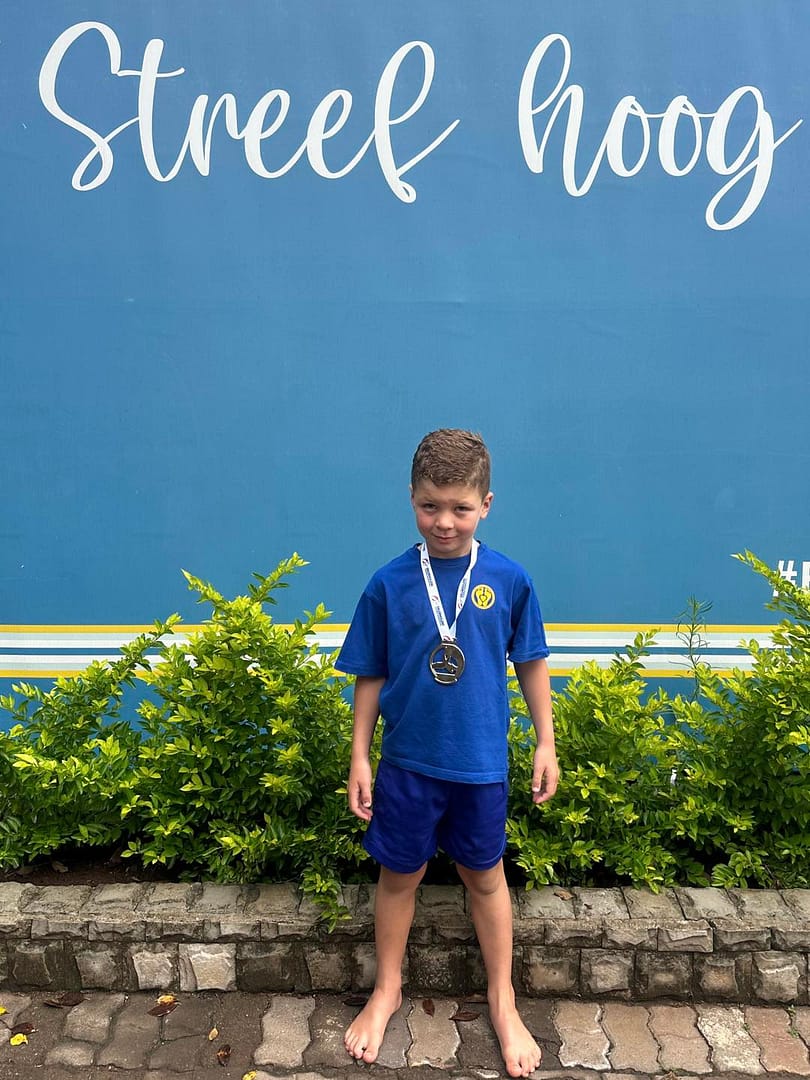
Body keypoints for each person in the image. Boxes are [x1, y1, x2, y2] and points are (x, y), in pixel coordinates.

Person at [335, 429, 558, 1078]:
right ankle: (387, 990)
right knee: (398, 878)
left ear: (486, 504)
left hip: (480, 768)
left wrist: (546, 742)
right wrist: (360, 756)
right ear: (412, 498)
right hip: (408, 765)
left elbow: (531, 661)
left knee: (486, 877)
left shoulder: (509, 580)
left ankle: (503, 999)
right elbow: (370, 674)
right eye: (430, 506)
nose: (445, 522)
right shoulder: (389, 583)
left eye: (460, 508)